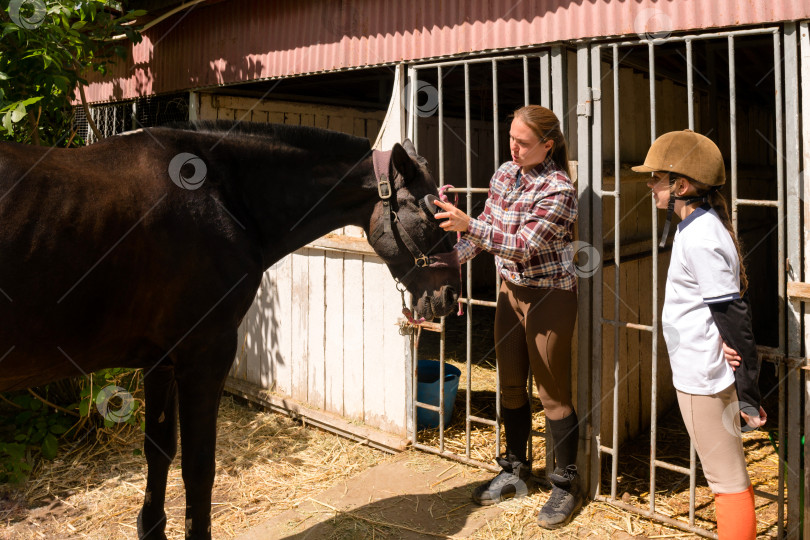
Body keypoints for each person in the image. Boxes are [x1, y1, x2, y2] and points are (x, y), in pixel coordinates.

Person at [433, 105, 582, 529]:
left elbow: (520, 245)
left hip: (550, 294)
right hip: (511, 291)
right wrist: (444, 262)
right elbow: (485, 230)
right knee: (510, 384)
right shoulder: (503, 173)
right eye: (511, 137)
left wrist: (470, 227)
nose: (513, 147)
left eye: (523, 142)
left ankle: (564, 484)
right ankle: (516, 469)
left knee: (552, 394)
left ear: (547, 146)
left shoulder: (558, 189)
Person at [633, 129, 766, 540]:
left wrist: (747, 392)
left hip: (704, 378)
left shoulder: (702, 236)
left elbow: (732, 314)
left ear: (682, 186)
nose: (650, 184)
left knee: (726, 482)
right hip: (699, 372)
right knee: (726, 477)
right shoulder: (696, 227)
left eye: (657, 177)